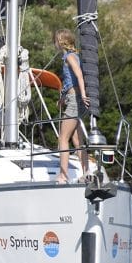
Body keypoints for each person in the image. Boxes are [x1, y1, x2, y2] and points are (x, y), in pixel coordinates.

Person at [54, 29, 90, 183]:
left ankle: (63, 175)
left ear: (61, 41)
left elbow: (79, 75)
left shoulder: (69, 57)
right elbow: (71, 81)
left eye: (55, 40)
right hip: (73, 99)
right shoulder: (72, 56)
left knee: (63, 138)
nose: (54, 43)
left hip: (75, 100)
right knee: (77, 140)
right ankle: (87, 173)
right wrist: (63, 98)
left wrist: (82, 94)